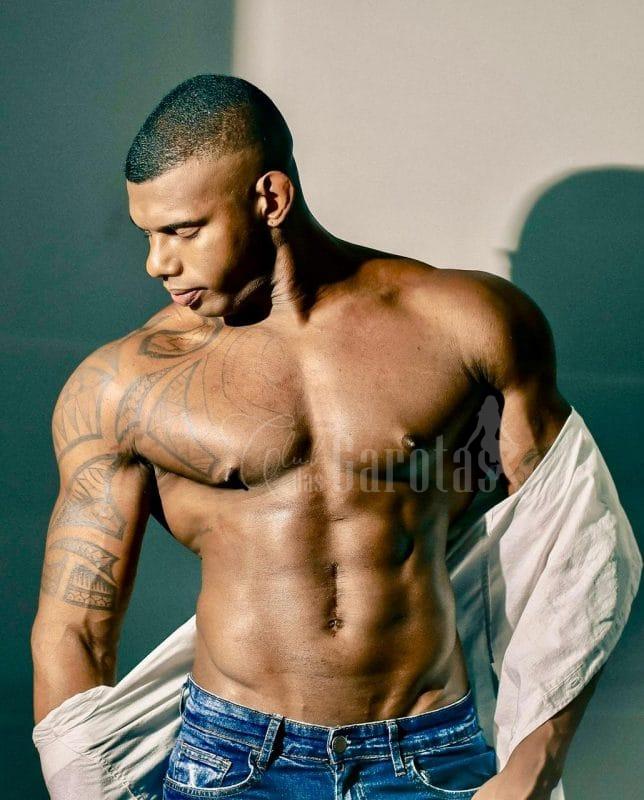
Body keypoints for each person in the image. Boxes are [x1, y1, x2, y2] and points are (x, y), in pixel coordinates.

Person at [30, 74, 638, 800]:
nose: (157, 263)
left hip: (430, 755)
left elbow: (571, 552)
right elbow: (75, 628)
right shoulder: (126, 384)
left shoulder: (468, 324)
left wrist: (533, 769)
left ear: (270, 199)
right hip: (231, 762)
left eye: (183, 231)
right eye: (148, 235)